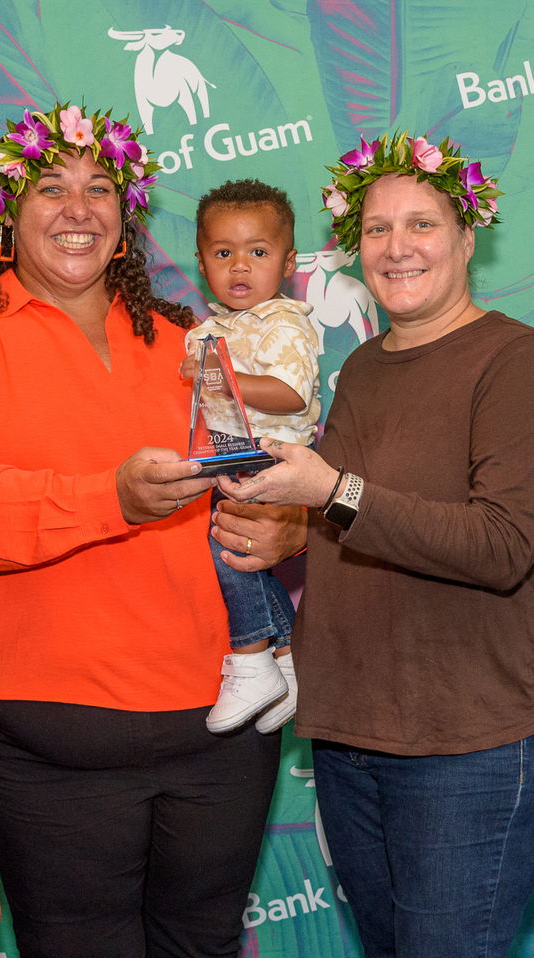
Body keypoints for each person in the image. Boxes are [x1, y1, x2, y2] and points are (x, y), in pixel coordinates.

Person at [0, 102, 280, 958]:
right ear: (4, 211)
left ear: (128, 212)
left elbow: (250, 476)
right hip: (54, 740)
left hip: (219, 729)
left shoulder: (187, 337)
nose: (78, 209)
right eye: (49, 187)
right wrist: (112, 496)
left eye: (100, 188)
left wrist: (287, 526)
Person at [218, 131, 534, 958]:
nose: (396, 246)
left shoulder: (521, 364)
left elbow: (501, 545)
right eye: (376, 228)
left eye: (422, 223)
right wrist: (291, 527)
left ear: (469, 236)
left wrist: (330, 496)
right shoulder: (367, 369)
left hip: (476, 731)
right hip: (358, 731)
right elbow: (359, 520)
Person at [181, 178, 321, 734]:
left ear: (287, 262)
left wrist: (219, 377)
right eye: (223, 253)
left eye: (257, 253)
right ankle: (286, 661)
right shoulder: (207, 330)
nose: (240, 266)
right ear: (201, 261)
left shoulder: (285, 322)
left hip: (271, 456)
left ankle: (251, 656)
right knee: (235, 550)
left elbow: (292, 393)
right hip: (227, 455)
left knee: (228, 550)